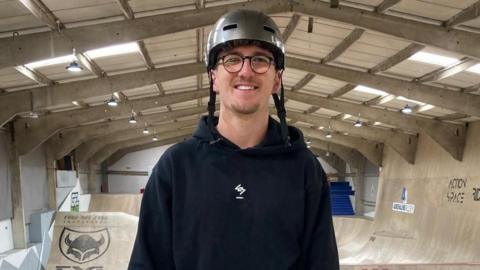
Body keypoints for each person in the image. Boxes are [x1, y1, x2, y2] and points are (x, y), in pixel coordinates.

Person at [128, 9, 339, 270]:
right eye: (232, 59)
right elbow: (147, 263)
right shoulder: (176, 166)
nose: (246, 72)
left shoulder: (304, 169)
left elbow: (322, 264)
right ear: (214, 77)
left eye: (260, 60)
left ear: (277, 80)